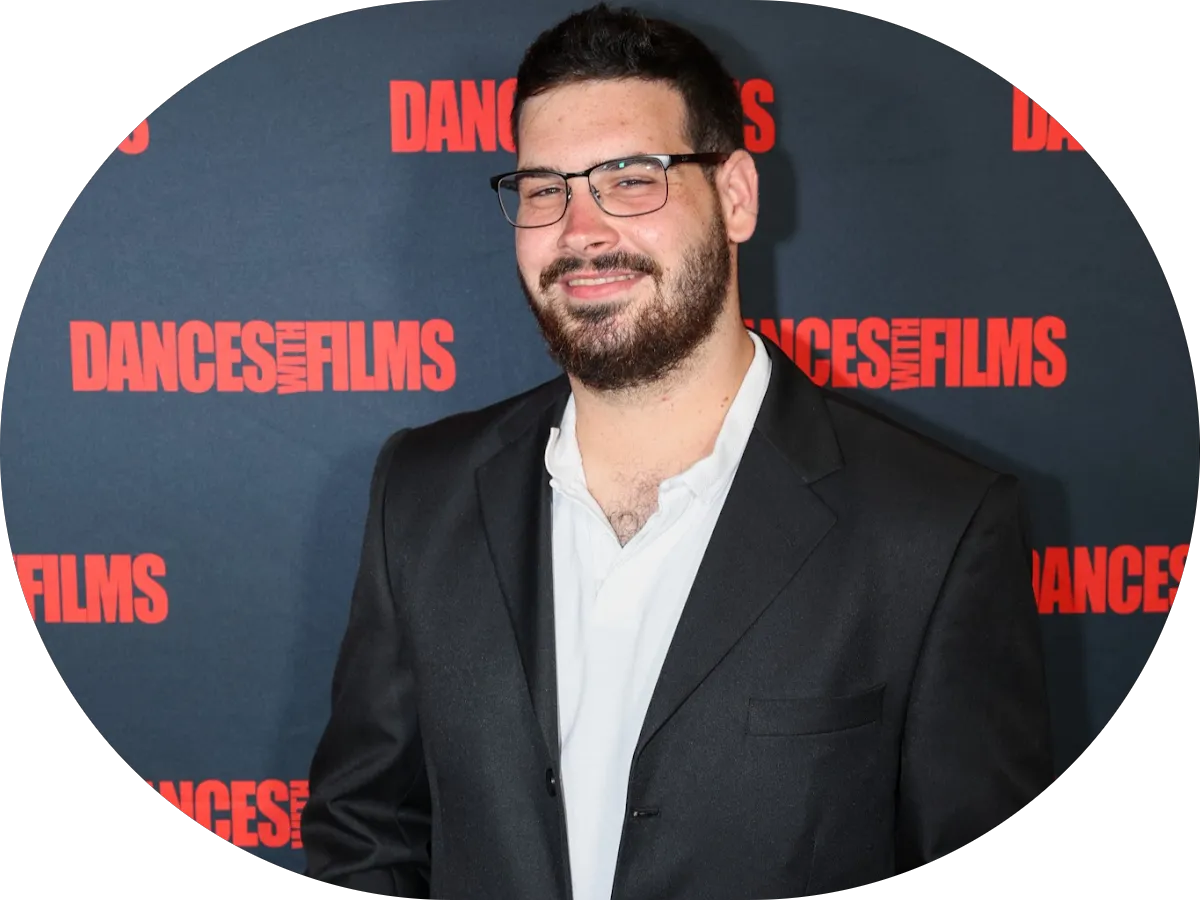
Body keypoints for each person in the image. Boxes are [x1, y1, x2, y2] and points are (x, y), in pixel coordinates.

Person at [300, 4, 1054, 898]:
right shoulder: (422, 494)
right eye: (544, 189)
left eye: (630, 179)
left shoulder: (934, 531)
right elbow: (367, 829)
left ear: (736, 196)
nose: (581, 231)